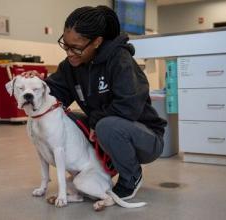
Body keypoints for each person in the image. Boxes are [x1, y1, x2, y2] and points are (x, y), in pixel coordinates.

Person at [32, 5, 167, 200]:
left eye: (76, 48)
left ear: (97, 42)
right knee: (68, 118)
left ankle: (131, 177)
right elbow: (54, 94)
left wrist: (95, 121)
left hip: (146, 138)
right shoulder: (70, 66)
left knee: (105, 126)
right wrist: (35, 85)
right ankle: (93, 173)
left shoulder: (120, 60)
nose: (69, 53)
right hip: (108, 128)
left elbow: (128, 106)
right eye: (65, 45)